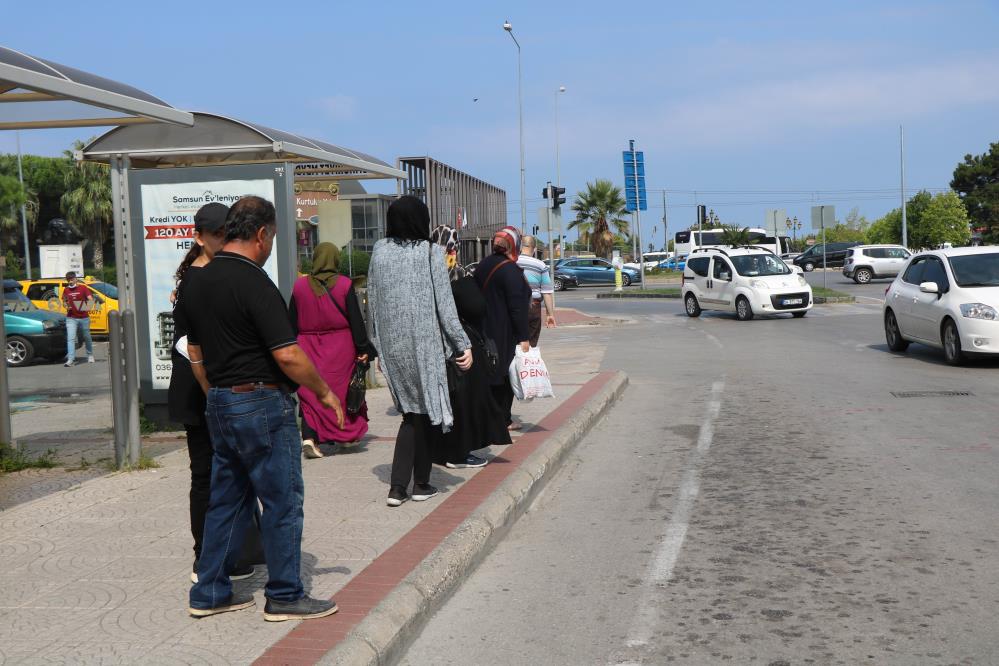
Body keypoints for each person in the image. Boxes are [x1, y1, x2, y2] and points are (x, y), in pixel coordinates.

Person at [185, 196, 345, 621]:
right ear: (260, 234)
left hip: (220, 399)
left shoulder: (199, 280)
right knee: (282, 501)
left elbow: (195, 350)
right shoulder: (254, 281)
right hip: (260, 401)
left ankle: (210, 591)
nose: (270, 246)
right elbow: (288, 354)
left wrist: (215, 393)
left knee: (226, 500)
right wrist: (324, 392)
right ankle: (286, 594)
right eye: (271, 238)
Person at [168, 202, 261, 584]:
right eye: (217, 234)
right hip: (199, 388)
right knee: (206, 474)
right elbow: (189, 343)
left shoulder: (229, 272)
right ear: (199, 236)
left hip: (227, 386)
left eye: (228, 233)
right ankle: (204, 555)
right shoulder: (195, 278)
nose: (223, 240)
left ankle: (238, 550)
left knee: (236, 471)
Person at [368, 196, 473, 507]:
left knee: (412, 414)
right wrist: (461, 343)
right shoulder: (431, 253)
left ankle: (400, 488)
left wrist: (379, 349)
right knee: (422, 413)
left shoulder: (379, 251)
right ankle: (417, 485)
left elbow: (373, 302)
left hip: (393, 347)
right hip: (424, 345)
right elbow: (445, 305)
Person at [430, 226, 511, 469]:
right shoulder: (454, 274)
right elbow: (475, 307)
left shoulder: (424, 273)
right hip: (459, 347)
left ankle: (444, 450)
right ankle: (457, 452)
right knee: (463, 400)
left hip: (431, 346)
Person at [289, 242, 376, 459]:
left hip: (307, 345)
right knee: (340, 392)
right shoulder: (344, 285)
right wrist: (363, 348)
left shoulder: (299, 286)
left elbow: (291, 321)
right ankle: (342, 435)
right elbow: (356, 321)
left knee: (310, 393)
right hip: (340, 347)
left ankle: (309, 437)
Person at [475, 226, 531, 431]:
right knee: (505, 375)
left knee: (491, 373)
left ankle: (489, 416)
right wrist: (524, 337)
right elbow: (517, 307)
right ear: (514, 244)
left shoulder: (484, 264)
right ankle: (502, 419)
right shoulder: (510, 270)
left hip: (484, 328)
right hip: (504, 331)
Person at [517, 235, 557, 347]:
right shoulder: (541, 265)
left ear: (520, 247)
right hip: (533, 307)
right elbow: (547, 292)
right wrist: (550, 314)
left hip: (514, 306)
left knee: (515, 343)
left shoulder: (512, 262)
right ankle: (529, 362)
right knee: (531, 343)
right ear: (534, 249)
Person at [62, 271, 102, 366]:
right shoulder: (66, 290)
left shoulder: (83, 288)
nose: (70, 281)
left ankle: (90, 355)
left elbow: (90, 300)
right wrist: (66, 306)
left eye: (72, 279)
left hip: (84, 317)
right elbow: (64, 301)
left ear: (76, 279)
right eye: (68, 280)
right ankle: (71, 359)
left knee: (86, 337)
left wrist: (82, 306)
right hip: (71, 318)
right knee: (71, 339)